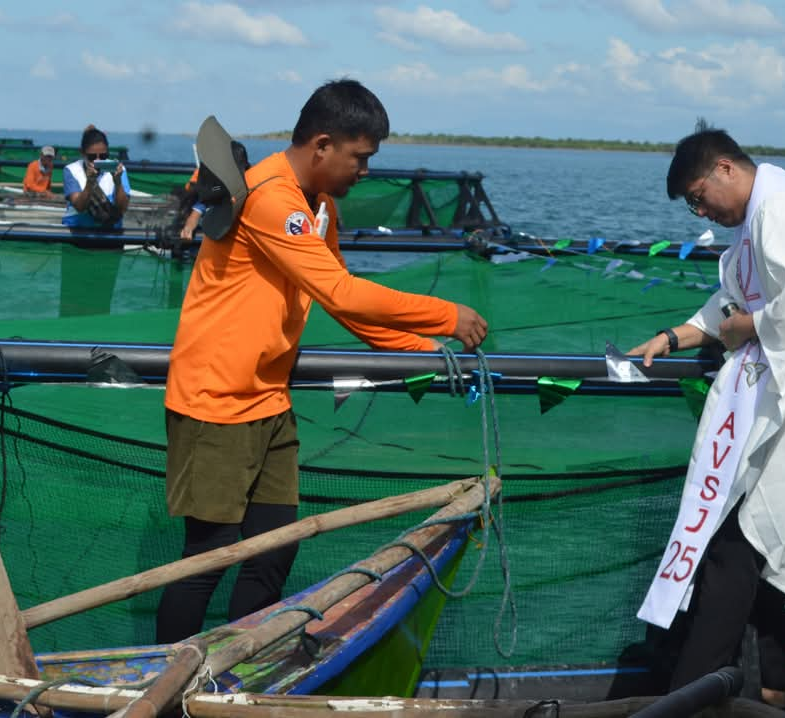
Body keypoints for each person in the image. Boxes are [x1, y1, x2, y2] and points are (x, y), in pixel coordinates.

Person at [156, 78, 488, 643]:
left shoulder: (320, 208)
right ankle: (162, 677)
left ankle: (238, 664)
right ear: (322, 145)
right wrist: (444, 317)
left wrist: (419, 353)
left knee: (274, 551)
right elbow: (342, 292)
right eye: (360, 157)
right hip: (214, 400)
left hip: (269, 397)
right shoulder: (269, 198)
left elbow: (341, 298)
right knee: (207, 557)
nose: (366, 170)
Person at [629, 129, 785, 707]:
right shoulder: (761, 214)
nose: (700, 212)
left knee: (735, 546)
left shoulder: (780, 210)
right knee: (774, 554)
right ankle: (772, 690)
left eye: (698, 196)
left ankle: (687, 695)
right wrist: (675, 336)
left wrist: (745, 329)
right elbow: (731, 300)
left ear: (724, 169)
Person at [62, 125, 131, 229]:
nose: (98, 161)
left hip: (111, 232)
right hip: (77, 232)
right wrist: (90, 182)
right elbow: (80, 207)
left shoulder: (119, 170)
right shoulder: (71, 170)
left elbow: (122, 208)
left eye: (103, 156)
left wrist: (118, 183)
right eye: (92, 157)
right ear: (82, 153)